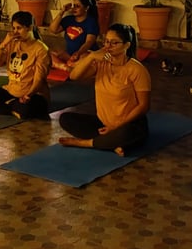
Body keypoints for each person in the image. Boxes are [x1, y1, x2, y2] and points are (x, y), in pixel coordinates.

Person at [58, 24, 151, 156]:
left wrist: (115, 126)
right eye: (106, 41)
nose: (108, 46)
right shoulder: (101, 63)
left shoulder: (137, 70)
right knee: (66, 119)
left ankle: (86, 143)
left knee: (127, 134)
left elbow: (144, 106)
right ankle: (110, 143)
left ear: (126, 45)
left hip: (128, 124)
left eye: (114, 43)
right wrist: (91, 57)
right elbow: (74, 76)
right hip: (104, 123)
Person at [0, 11, 51, 119]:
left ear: (30, 28)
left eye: (19, 28)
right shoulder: (12, 43)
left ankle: (12, 107)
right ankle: (12, 108)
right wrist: (4, 43)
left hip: (34, 94)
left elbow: (39, 80)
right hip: (11, 91)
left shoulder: (40, 49)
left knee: (26, 109)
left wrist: (28, 95)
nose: (15, 32)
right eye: (13, 28)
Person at [48, 0, 99, 70]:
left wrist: (78, 53)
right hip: (70, 55)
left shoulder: (91, 22)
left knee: (86, 58)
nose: (74, 9)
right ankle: (66, 66)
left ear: (86, 8)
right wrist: (62, 12)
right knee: (48, 54)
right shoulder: (69, 19)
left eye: (77, 6)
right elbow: (53, 30)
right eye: (73, 6)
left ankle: (67, 66)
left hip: (83, 54)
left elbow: (89, 42)